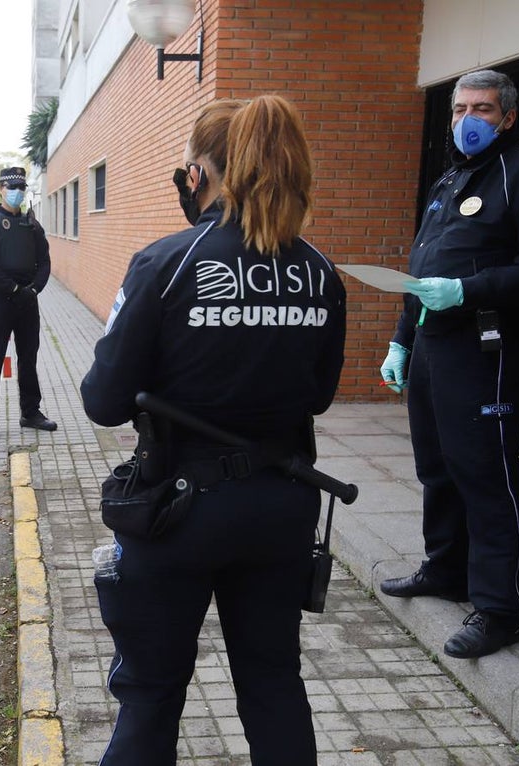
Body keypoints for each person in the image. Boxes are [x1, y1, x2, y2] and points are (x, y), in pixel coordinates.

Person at [81, 95, 346, 765]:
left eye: (186, 170)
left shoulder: (166, 263)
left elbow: (103, 401)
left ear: (201, 172)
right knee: (273, 685)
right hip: (282, 507)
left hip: (178, 512)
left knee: (151, 694)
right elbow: (318, 394)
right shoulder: (319, 270)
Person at [378, 69, 519, 659]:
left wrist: (466, 290)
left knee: (486, 475)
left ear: (507, 116)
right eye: (459, 109)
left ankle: (499, 610)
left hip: (483, 347)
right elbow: (422, 268)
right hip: (434, 347)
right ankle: (446, 569)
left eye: (481, 109)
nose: (467, 120)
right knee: (437, 466)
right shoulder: (450, 178)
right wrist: (402, 339)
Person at [0, 166, 55, 440]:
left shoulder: (32, 225)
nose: (17, 193)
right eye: (11, 187)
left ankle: (30, 412)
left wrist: (33, 290)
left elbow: (44, 262)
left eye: (21, 188)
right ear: (0, 189)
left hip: (27, 303)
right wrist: (13, 288)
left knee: (28, 359)